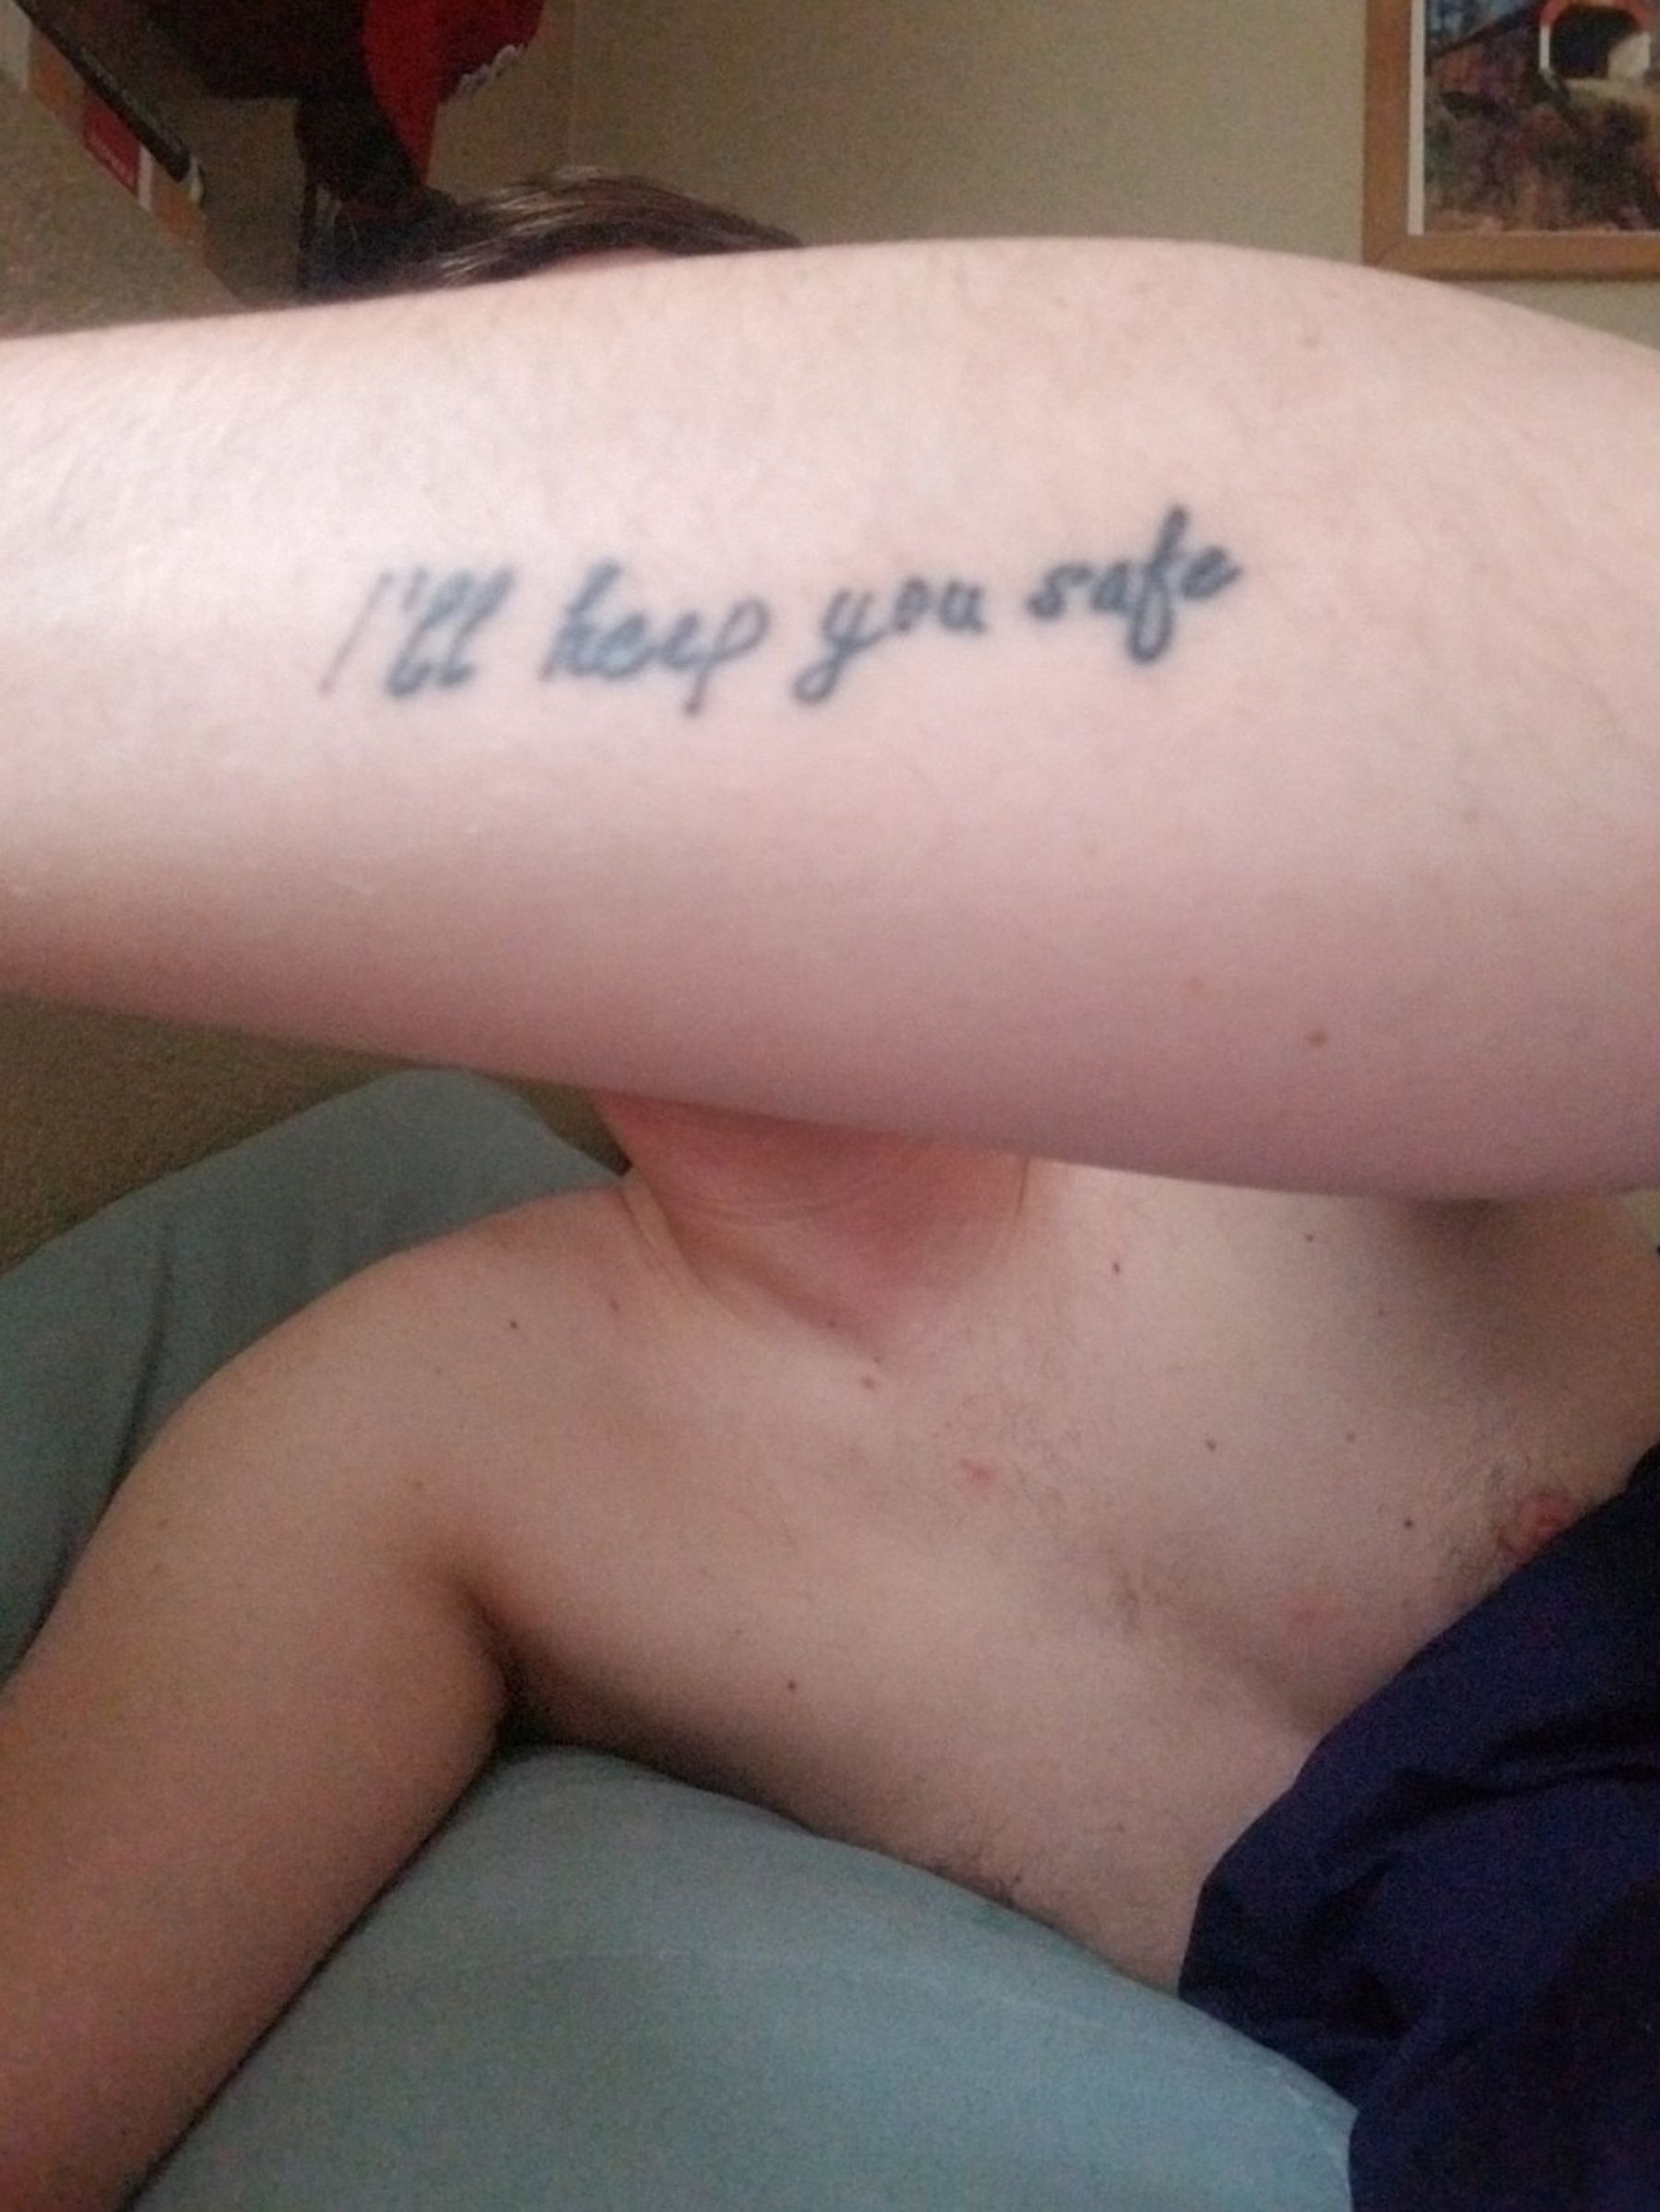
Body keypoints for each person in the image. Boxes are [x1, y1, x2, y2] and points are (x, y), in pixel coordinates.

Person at [3, 172, 1660, 2211]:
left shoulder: (1279, 994)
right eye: (522, 530)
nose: (637, 625)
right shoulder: (410, 1427)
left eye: (729, 489)